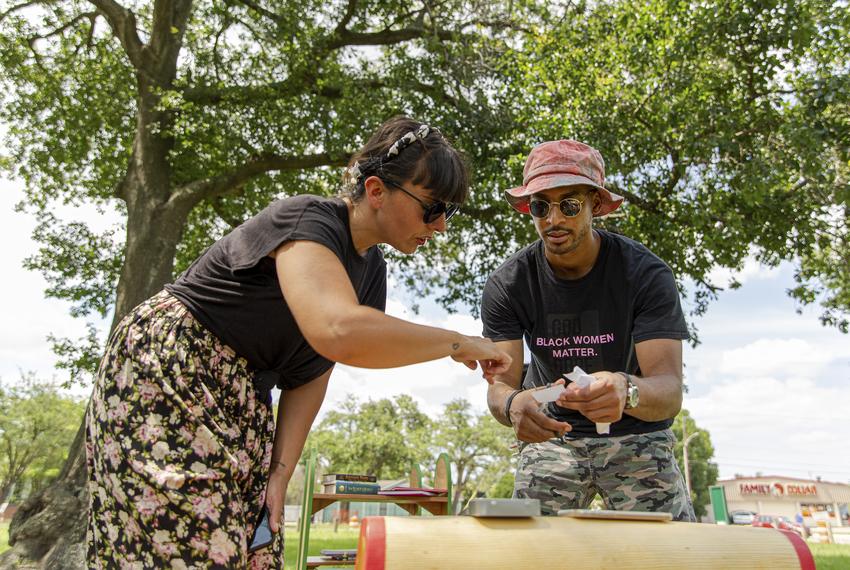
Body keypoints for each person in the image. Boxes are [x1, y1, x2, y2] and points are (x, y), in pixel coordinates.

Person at [85, 116, 512, 568]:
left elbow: (315, 370)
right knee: (195, 546)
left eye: (450, 211)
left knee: (254, 546)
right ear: (376, 190)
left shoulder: (371, 274)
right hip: (170, 367)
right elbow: (338, 331)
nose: (441, 225)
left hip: (243, 395)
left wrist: (279, 472)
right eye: (432, 207)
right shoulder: (309, 217)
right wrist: (459, 343)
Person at [481, 139, 695, 521]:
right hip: (552, 438)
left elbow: (670, 390)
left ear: (596, 204)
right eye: (540, 206)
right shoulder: (508, 284)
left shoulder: (645, 274)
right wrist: (514, 405)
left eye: (569, 204)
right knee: (527, 555)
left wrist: (625, 389)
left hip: (638, 432)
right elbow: (500, 387)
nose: (553, 220)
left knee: (673, 555)